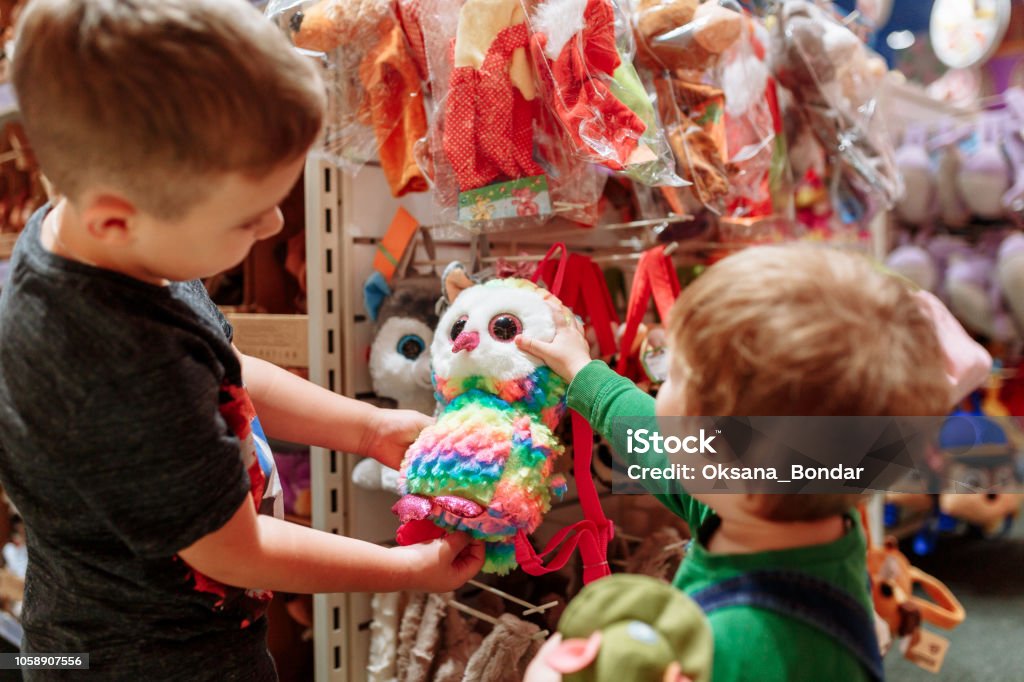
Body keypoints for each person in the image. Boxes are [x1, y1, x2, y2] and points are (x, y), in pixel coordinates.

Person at [0, 0, 483, 679]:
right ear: (118, 218)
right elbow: (235, 551)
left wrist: (370, 428)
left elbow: (225, 369)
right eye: (246, 218)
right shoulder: (113, 368)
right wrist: (404, 567)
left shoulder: (120, 252)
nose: (274, 224)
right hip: (145, 661)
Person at [517, 244, 980, 682]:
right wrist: (584, 373)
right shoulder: (779, 501)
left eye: (676, 374)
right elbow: (657, 445)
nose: (662, 389)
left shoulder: (745, 649)